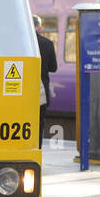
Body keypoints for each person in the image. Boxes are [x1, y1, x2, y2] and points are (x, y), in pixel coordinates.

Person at [35, 14, 58, 147]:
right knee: (39, 123)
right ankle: (37, 150)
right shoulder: (47, 44)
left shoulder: (18, 43)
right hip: (41, 90)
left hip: (19, 89)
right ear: (40, 28)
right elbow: (53, 68)